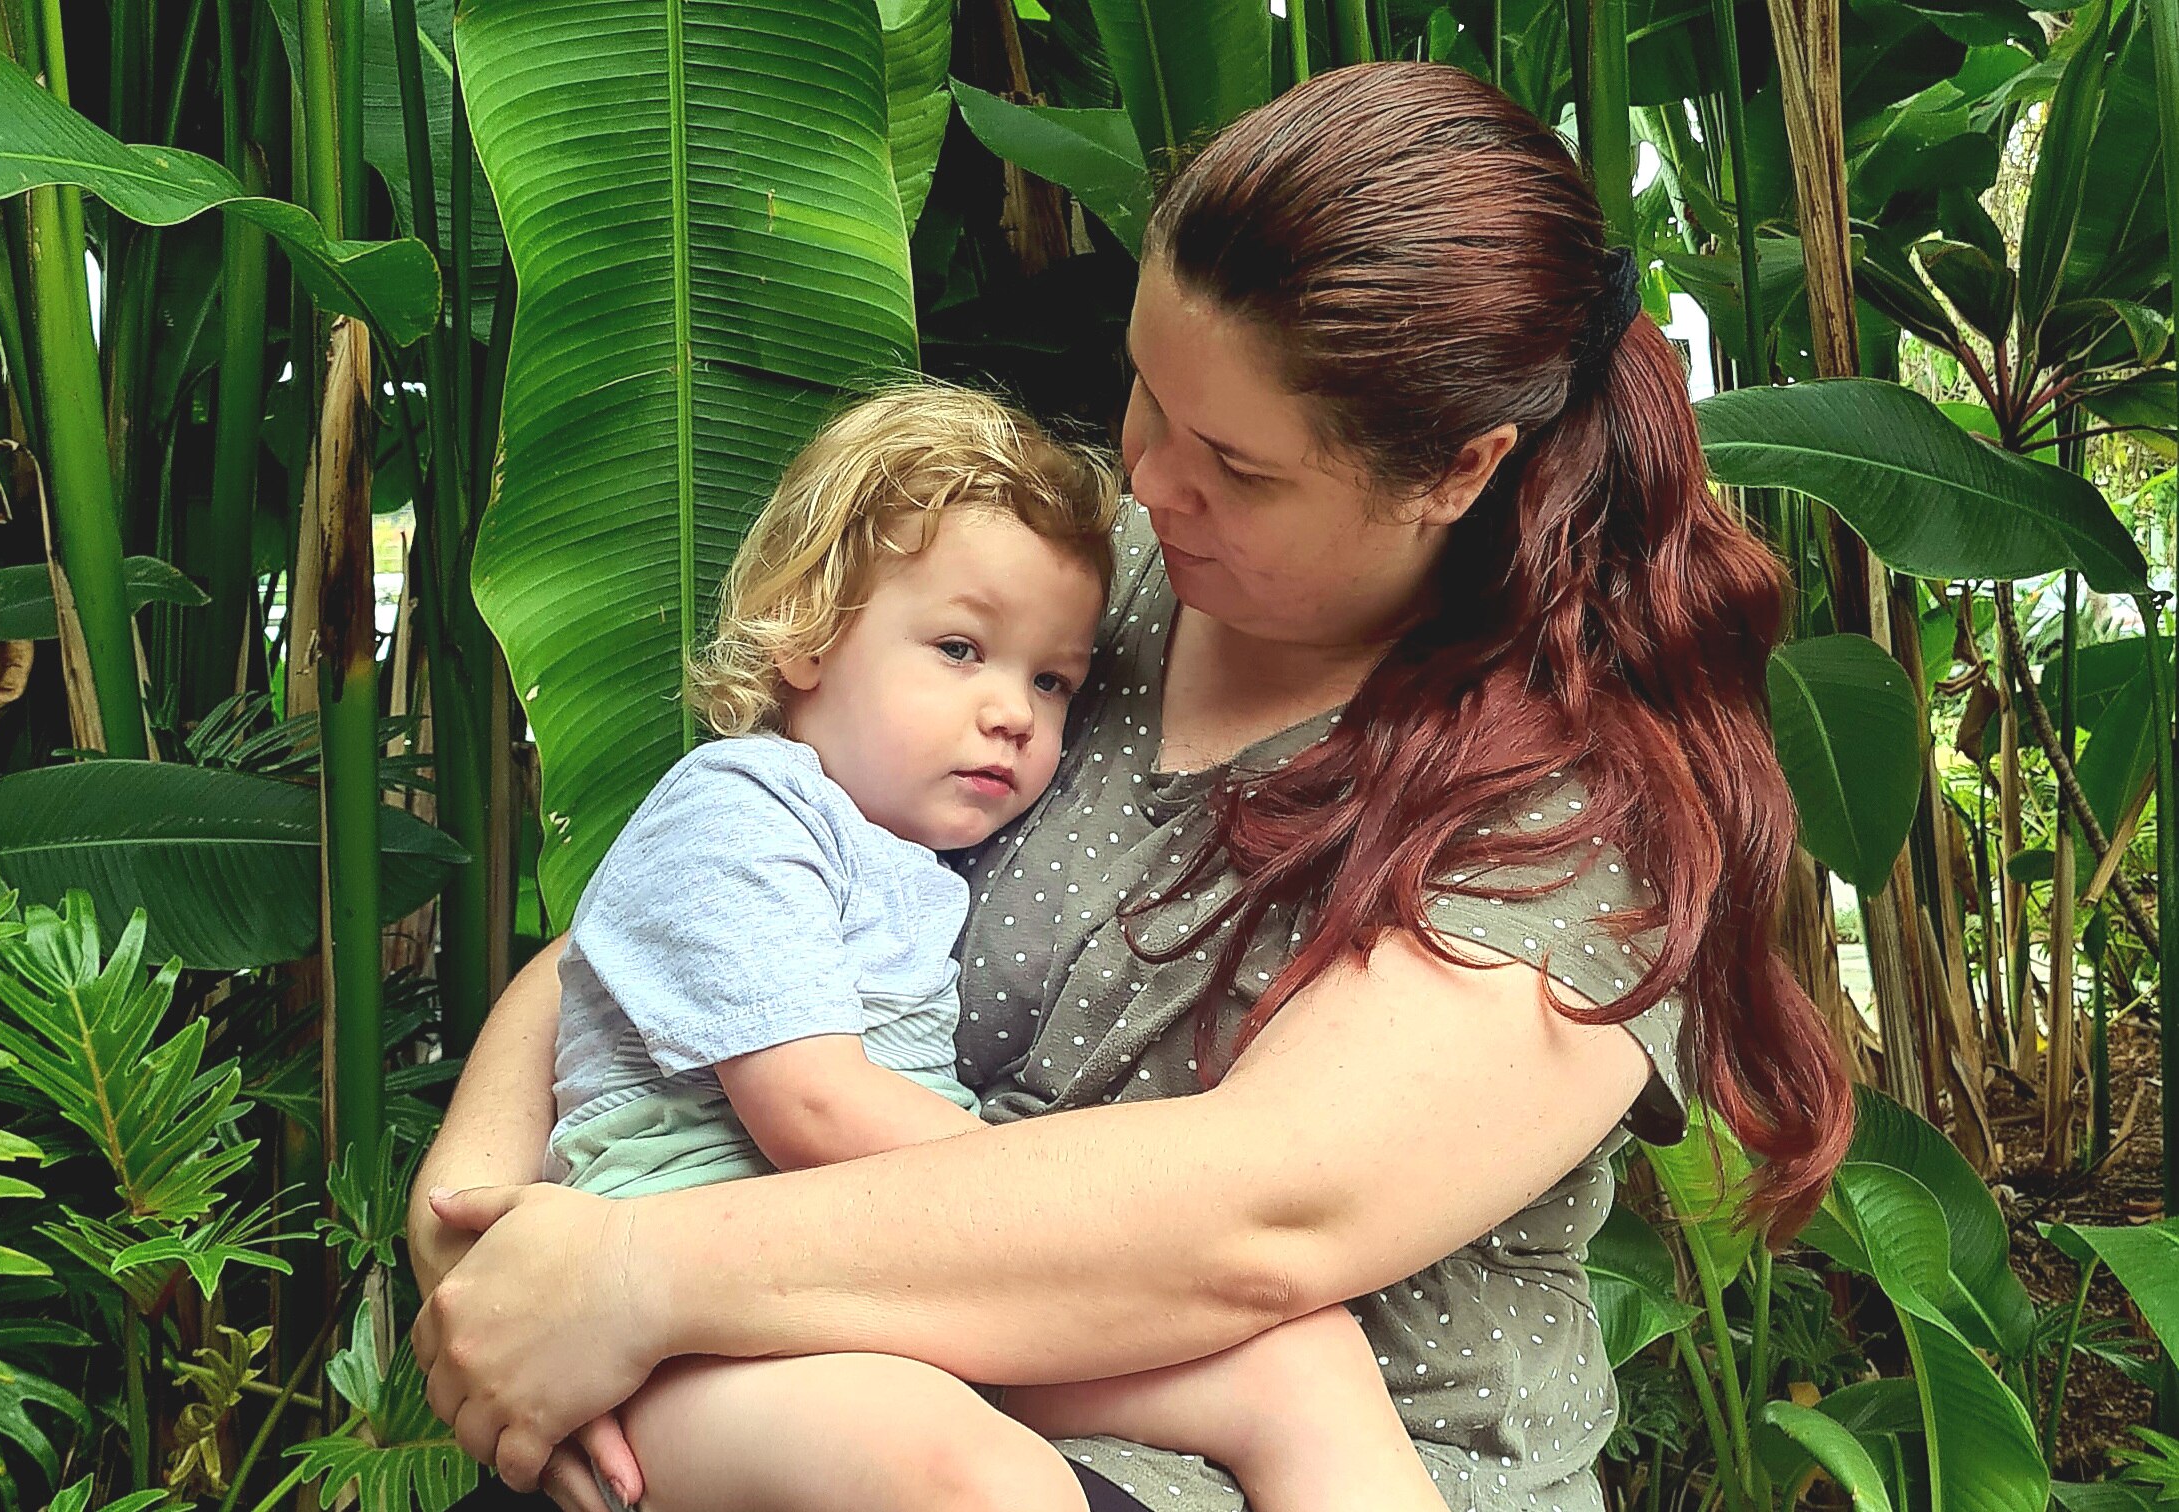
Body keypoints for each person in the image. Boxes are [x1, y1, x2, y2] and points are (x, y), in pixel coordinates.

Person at [410, 60, 1854, 1512]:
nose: (1150, 476)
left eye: (1233, 461)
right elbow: (715, 884)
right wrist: (485, 1218)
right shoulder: (1087, 586)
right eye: (1144, 392)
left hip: (1240, 1460)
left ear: (1455, 471)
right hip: (860, 1342)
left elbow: (1250, 1220)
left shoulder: (1584, 801)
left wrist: (638, 1276)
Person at [543, 382, 1446, 1512]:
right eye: (961, 649)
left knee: (1298, 1363)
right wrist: (1083, 1230)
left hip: (872, 1273)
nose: (1015, 711)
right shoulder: (737, 810)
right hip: (699, 1306)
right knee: (975, 1483)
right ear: (809, 632)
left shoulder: (912, 846)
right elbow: (810, 1109)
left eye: (1051, 678)